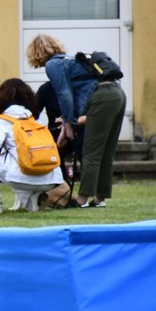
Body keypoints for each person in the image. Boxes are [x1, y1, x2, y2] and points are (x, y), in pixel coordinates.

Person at [26, 34, 126, 208]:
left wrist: (68, 123)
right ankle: (100, 198)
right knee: (106, 152)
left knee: (91, 152)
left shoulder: (53, 65)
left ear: (36, 53)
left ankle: (82, 199)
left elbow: (65, 95)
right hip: (117, 93)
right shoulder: (70, 60)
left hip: (101, 97)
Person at [0, 78, 64, 215]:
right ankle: (33, 198)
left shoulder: (1, 121)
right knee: (17, 163)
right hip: (52, 179)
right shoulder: (35, 118)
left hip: (21, 177)